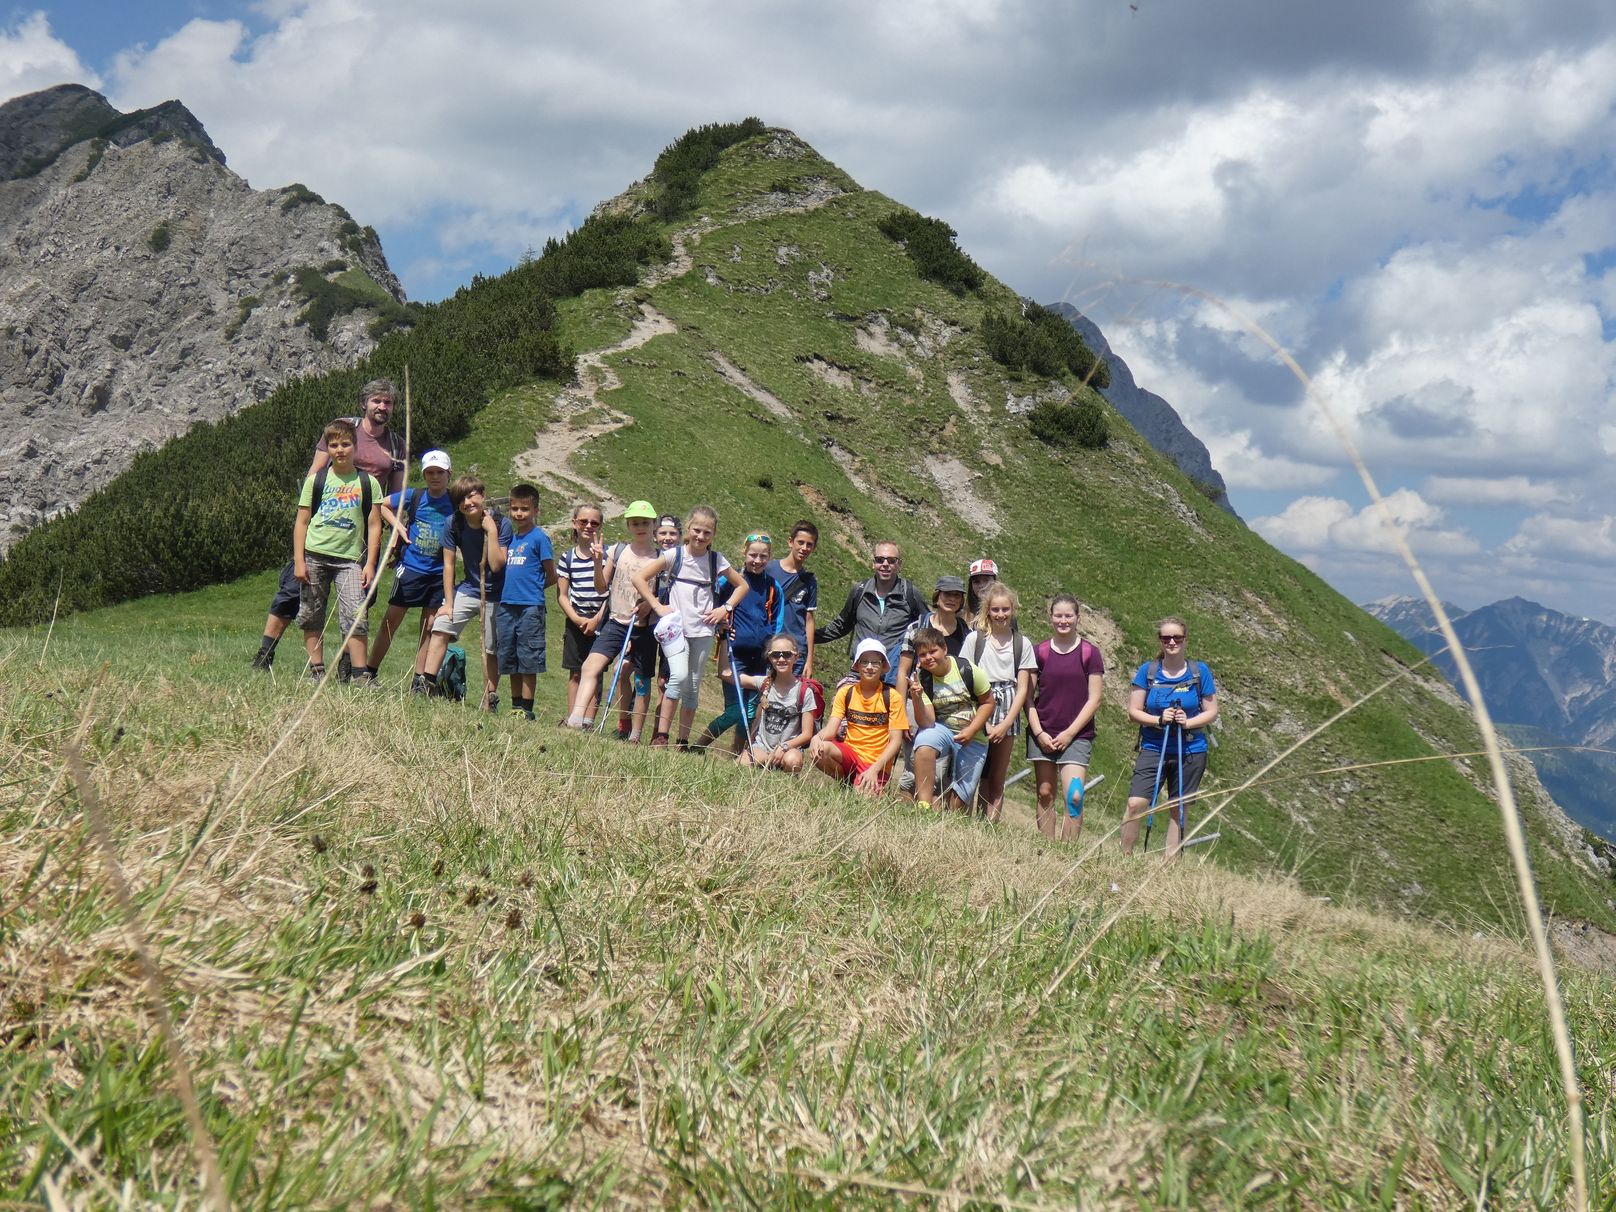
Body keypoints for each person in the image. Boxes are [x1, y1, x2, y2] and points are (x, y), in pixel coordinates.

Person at [253, 379, 406, 671]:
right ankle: (264, 655)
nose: (382, 407)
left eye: (388, 402)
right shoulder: (342, 428)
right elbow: (315, 471)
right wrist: (309, 517)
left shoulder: (397, 445)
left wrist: (395, 532)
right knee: (292, 591)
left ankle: (347, 666)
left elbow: (393, 498)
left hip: (361, 532)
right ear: (364, 403)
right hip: (324, 525)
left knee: (359, 600)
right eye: (377, 401)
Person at [633, 506, 748, 748]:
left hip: (704, 630)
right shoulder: (675, 555)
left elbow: (742, 586)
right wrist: (656, 605)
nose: (701, 536)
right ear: (688, 529)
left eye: (707, 532)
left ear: (714, 534)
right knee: (678, 676)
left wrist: (724, 608)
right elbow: (639, 578)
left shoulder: (716, 560)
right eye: (697, 530)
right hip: (677, 630)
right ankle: (661, 736)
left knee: (693, 686)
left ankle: (682, 740)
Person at [291, 419, 383, 684]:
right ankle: (317, 671)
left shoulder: (368, 482)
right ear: (327, 449)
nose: (339, 450)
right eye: (333, 445)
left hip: (351, 560)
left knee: (356, 614)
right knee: (311, 613)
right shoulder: (316, 481)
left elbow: (375, 525)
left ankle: (359, 674)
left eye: (345, 444)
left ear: (355, 446)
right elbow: (302, 522)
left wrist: (370, 563)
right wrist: (299, 560)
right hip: (314, 554)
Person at [1122, 617, 1218, 858]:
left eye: (1177, 637)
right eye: (1166, 638)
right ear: (1160, 641)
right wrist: (1158, 719)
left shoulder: (1199, 672)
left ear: (1186, 640)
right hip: (1154, 745)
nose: (1172, 642)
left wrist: (1188, 722)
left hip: (1190, 749)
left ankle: (1168, 865)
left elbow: (1211, 712)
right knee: (1136, 803)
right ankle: (1125, 856)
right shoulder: (1148, 671)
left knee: (1179, 808)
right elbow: (1133, 711)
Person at [565, 501, 661, 734]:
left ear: (654, 525)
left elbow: (664, 591)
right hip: (616, 621)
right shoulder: (618, 551)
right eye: (635, 523)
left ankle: (635, 735)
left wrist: (650, 603)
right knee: (590, 666)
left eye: (645, 523)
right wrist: (598, 563)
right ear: (628, 526)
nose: (640, 527)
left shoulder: (662, 557)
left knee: (641, 681)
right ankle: (576, 719)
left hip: (644, 627)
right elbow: (600, 587)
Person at [421, 476, 511, 710]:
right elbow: (448, 564)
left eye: (472, 495)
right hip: (470, 589)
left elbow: (497, 564)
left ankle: (488, 698)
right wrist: (449, 602)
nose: (467, 502)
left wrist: (490, 531)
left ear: (483, 494)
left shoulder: (501, 523)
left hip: (497, 594)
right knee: (441, 626)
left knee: (491, 647)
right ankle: (427, 685)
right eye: (461, 499)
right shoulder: (454, 523)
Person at [371, 450, 456, 691]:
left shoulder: (454, 501)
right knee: (391, 621)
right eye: (430, 472)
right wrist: (397, 525)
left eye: (440, 472)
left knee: (429, 627)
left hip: (440, 573)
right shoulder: (415, 495)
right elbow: (382, 504)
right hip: (411, 568)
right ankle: (370, 670)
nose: (435, 477)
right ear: (424, 474)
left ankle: (419, 681)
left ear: (449, 474)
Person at [1025, 594, 1105, 841]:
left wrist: (1070, 733)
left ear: (1077, 618)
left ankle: (1067, 850)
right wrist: (1039, 732)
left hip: (1077, 735)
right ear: (1050, 618)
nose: (1063, 621)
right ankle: (1048, 848)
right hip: (1044, 732)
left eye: (1068, 616)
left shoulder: (1090, 653)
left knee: (1075, 796)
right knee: (1045, 792)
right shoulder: (1040, 652)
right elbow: (1027, 698)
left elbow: (1095, 699)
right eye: (1058, 616)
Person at [695, 532, 779, 753]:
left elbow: (777, 622)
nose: (757, 561)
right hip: (733, 655)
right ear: (744, 553)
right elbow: (712, 607)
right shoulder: (729, 581)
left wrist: (774, 651)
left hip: (760, 658)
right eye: (753, 555)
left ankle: (736, 754)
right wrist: (719, 629)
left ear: (769, 557)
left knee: (750, 711)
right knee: (735, 710)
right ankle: (698, 745)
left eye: (763, 556)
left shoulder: (773, 586)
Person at [966, 581, 1038, 821]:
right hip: (980, 702)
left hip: (1008, 706)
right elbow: (966, 679)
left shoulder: (1022, 643)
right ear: (987, 610)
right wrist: (983, 723)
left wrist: (1006, 723)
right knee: (974, 770)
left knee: (997, 776)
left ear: (1013, 610)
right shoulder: (975, 640)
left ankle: (990, 824)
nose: (1000, 615)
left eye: (1005, 609)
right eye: (995, 610)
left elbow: (1023, 687)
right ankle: (966, 820)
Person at [813, 540, 927, 686]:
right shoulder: (859, 591)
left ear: (899, 565)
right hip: (861, 671)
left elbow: (926, 629)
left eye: (891, 560)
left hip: (893, 675)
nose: (885, 564)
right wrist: (809, 637)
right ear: (873, 563)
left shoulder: (910, 593)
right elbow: (841, 625)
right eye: (880, 560)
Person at [908, 626, 994, 812]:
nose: (929, 658)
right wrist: (916, 698)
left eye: (933, 651)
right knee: (923, 741)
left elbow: (988, 703)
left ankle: (943, 811)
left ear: (944, 649)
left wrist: (971, 731)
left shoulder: (967, 669)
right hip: (943, 730)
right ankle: (923, 806)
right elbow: (927, 722)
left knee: (957, 805)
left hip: (974, 735)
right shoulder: (923, 679)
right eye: (923, 655)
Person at [809, 638, 905, 794]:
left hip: (877, 762)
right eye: (864, 662)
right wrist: (816, 738)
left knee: (864, 798)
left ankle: (861, 783)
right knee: (821, 750)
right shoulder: (846, 692)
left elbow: (895, 741)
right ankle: (845, 782)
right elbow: (831, 730)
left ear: (883, 666)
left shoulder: (892, 697)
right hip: (850, 754)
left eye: (875, 663)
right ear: (857, 665)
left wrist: (874, 769)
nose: (869, 667)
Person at [496, 483, 556, 720]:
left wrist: (533, 590)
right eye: (514, 508)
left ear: (536, 510)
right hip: (506, 605)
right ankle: (515, 706)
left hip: (530, 606)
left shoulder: (539, 538)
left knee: (528, 657)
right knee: (510, 656)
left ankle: (527, 709)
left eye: (524, 509)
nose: (519, 514)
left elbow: (551, 574)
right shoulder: (509, 538)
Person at [555, 503, 608, 723]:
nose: (588, 526)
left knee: (594, 672)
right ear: (574, 524)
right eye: (583, 521)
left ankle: (588, 722)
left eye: (594, 523)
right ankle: (572, 718)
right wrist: (576, 619)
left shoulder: (607, 557)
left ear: (600, 526)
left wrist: (597, 619)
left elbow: (609, 593)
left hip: (601, 620)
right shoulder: (567, 558)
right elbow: (562, 595)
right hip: (576, 619)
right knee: (575, 671)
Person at [736, 634, 818, 773]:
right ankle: (764, 765)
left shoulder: (804, 691)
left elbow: (807, 734)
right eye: (776, 655)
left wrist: (785, 747)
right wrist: (724, 641)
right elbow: (728, 674)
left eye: (786, 655)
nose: (781, 659)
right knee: (740, 766)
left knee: (793, 761)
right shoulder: (764, 683)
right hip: (761, 747)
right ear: (769, 657)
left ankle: (786, 778)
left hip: (789, 750)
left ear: (796, 657)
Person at [768, 520, 820, 678]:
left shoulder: (809, 581)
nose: (804, 548)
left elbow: (809, 619)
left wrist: (809, 660)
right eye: (801, 542)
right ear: (790, 542)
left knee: (789, 700)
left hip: (796, 651)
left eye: (809, 545)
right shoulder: (769, 569)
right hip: (769, 645)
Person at [966, 556, 999, 626]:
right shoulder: (962, 614)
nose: (981, 586)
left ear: (995, 582)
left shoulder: (1004, 613)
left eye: (986, 580)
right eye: (976, 582)